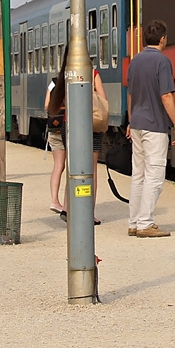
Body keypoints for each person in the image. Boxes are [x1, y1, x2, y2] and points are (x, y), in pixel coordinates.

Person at [125, 19, 175, 238]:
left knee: (138, 175)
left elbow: (130, 94)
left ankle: (134, 222)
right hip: (155, 126)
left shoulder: (135, 61)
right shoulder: (162, 61)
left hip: (137, 124)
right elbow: (166, 95)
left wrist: (130, 121)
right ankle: (146, 223)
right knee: (154, 175)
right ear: (162, 39)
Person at [45, 45, 107, 222]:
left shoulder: (63, 75)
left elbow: (52, 104)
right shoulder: (92, 74)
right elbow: (103, 100)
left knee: (72, 167)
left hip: (68, 124)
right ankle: (89, 213)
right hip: (89, 125)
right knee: (91, 170)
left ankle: (66, 208)